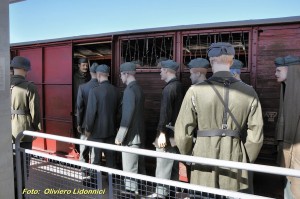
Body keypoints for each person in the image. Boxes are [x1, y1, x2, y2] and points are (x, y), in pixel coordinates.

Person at [175, 42, 264, 193]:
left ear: (211, 60)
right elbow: (256, 135)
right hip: (236, 155)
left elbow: (183, 132)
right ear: (231, 60)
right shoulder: (250, 92)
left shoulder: (195, 91)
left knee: (203, 194)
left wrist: (188, 155)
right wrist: (244, 159)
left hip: (202, 155)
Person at [149, 59, 183, 198]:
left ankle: (161, 195)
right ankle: (172, 194)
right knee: (174, 167)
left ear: (168, 71)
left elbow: (165, 114)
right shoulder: (179, 86)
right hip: (175, 135)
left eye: (161, 70)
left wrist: (161, 133)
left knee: (163, 167)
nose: (160, 73)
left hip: (167, 134)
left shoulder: (169, 89)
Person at [11, 56, 41, 197]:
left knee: (10, 165)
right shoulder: (29, 86)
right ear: (25, 69)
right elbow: (35, 112)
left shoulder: (5, 84)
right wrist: (37, 129)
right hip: (23, 132)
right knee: (23, 167)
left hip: (7, 131)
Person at [115, 62, 146, 196]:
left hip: (131, 137)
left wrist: (120, 136)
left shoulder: (129, 90)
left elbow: (127, 116)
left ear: (126, 74)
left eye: (121, 75)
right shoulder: (138, 88)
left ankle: (130, 194)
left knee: (129, 169)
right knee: (139, 166)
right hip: (139, 134)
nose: (121, 78)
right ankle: (139, 191)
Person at [274, 55, 300, 199]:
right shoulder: (286, 89)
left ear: (292, 70)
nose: (275, 74)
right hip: (289, 153)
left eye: (278, 70)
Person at [85, 64, 119, 170]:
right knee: (111, 160)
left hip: (96, 133)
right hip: (112, 132)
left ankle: (95, 182)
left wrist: (88, 129)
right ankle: (111, 181)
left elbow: (91, 114)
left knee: (96, 160)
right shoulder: (116, 91)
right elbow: (119, 112)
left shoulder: (94, 91)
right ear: (107, 75)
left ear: (98, 75)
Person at [76, 62, 99, 176]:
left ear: (90, 72)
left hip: (85, 123)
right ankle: (95, 174)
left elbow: (79, 108)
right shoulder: (103, 87)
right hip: (98, 125)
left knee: (84, 148)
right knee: (95, 150)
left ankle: (84, 171)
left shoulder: (83, 87)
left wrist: (79, 124)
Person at [73, 58, 91, 149]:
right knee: (78, 131)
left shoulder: (89, 77)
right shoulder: (74, 77)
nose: (85, 67)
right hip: (77, 107)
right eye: (83, 65)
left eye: (87, 65)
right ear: (79, 65)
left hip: (88, 107)